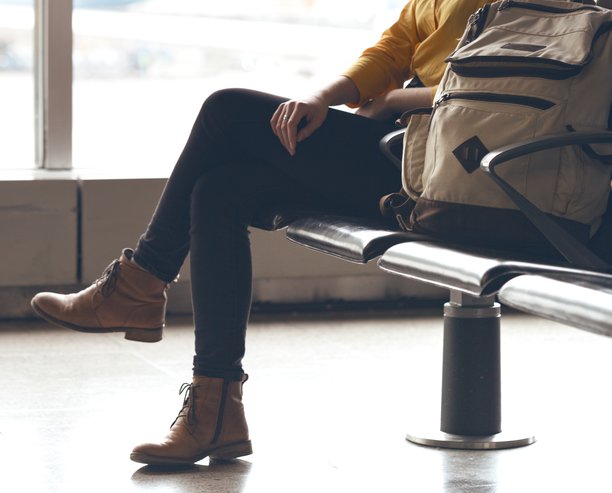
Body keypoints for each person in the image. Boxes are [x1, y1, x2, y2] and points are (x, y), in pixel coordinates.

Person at [30, 0, 488, 467]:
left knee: (225, 109)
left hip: (453, 166)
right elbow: (390, 51)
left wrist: (392, 101)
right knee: (218, 189)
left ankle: (140, 282)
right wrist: (318, 98)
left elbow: (497, 89)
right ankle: (216, 411)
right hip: (399, 147)